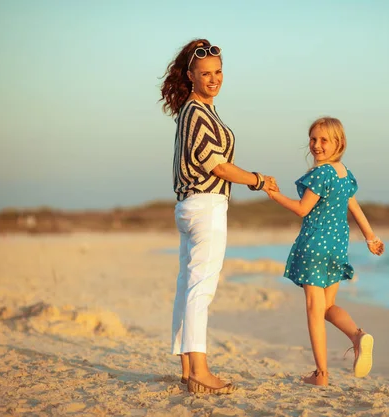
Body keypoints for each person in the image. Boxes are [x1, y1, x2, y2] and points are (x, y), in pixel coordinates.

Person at [159, 38, 278, 394]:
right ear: (191, 75)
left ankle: (185, 367)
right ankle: (200, 369)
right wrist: (258, 180)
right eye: (206, 73)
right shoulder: (196, 112)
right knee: (201, 289)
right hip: (205, 205)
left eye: (218, 71)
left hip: (191, 206)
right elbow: (216, 165)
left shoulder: (195, 111)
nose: (214, 79)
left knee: (187, 287)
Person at [265, 117, 385, 386]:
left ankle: (321, 374)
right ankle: (357, 336)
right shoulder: (344, 173)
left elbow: (301, 209)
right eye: (313, 139)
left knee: (314, 309)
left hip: (315, 244)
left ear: (338, 143)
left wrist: (274, 195)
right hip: (337, 246)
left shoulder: (321, 174)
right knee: (327, 306)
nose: (316, 145)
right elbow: (354, 207)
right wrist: (370, 237)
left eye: (323, 140)